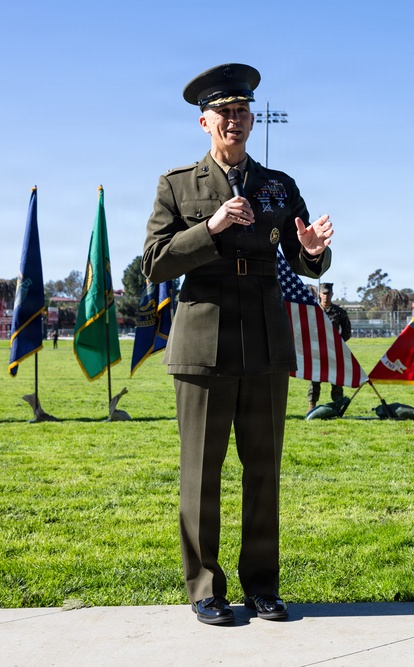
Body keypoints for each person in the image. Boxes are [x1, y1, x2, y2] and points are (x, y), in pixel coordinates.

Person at [141, 63, 333, 626]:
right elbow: (154, 262)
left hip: (265, 340)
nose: (235, 119)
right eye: (224, 112)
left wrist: (313, 251)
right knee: (201, 472)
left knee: (264, 471)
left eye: (242, 110)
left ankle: (262, 587)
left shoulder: (279, 185)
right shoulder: (177, 185)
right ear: (204, 122)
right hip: (204, 342)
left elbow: (304, 258)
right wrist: (212, 228)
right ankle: (205, 588)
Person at [307, 282, 351, 411]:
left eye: (328, 294)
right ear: (319, 294)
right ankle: (312, 404)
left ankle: (338, 404)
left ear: (332, 294)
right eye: (324, 294)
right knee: (315, 378)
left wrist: (339, 343)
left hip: (333, 351)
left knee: (336, 378)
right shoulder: (313, 311)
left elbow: (347, 330)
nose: (326, 296)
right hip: (317, 350)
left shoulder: (339, 312)